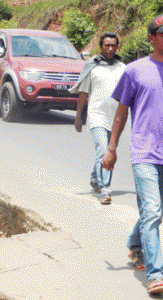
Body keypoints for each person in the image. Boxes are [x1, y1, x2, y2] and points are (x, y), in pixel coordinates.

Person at [102, 14, 163, 294]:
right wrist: (111, 149)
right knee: (152, 210)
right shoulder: (135, 71)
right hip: (145, 153)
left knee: (156, 210)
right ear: (152, 38)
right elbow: (121, 112)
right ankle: (156, 274)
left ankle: (135, 244)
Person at [70, 32, 126, 204]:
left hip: (115, 118)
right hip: (97, 116)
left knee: (108, 150)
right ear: (100, 46)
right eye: (106, 45)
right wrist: (78, 117)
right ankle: (104, 189)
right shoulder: (92, 66)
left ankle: (96, 178)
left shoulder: (122, 68)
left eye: (113, 46)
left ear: (117, 47)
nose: (110, 49)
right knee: (104, 151)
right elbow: (83, 93)